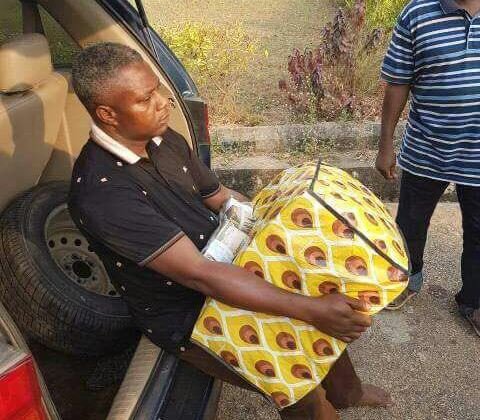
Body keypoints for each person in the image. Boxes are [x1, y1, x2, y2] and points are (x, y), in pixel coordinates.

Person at [69, 42, 391, 419]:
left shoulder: (162, 139)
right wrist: (310, 310)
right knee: (297, 384)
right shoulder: (103, 193)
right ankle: (315, 403)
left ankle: (347, 392)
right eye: (145, 98)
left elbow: (220, 196)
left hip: (230, 262)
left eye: (158, 89)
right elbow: (201, 275)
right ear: (108, 114)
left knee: (317, 292)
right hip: (189, 309)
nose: (163, 102)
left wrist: (278, 226)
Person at [377, 0, 480, 334]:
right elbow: (397, 83)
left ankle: (474, 300)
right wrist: (385, 145)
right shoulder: (417, 14)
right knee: (410, 222)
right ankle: (407, 278)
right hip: (426, 149)